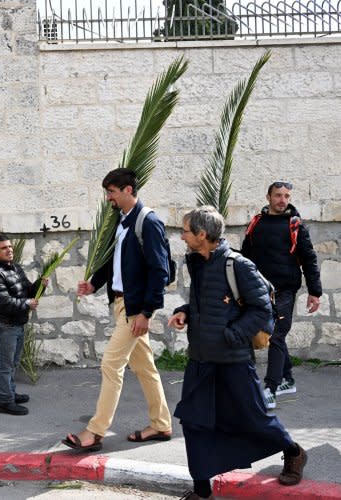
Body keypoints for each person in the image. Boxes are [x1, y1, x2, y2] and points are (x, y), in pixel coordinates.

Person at [168, 206, 307, 500]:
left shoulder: (238, 266)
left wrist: (232, 335)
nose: (181, 236)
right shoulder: (198, 262)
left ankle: (293, 452)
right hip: (201, 360)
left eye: (185, 231)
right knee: (194, 423)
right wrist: (185, 313)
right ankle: (202, 491)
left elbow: (262, 309)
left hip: (233, 361)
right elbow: (204, 304)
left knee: (254, 419)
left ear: (202, 235)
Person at [63, 168, 172, 452]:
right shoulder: (121, 221)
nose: (108, 198)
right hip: (121, 303)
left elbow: (160, 272)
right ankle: (161, 424)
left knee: (111, 364)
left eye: (111, 192)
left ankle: (95, 431)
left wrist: (146, 313)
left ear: (127, 190)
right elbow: (115, 260)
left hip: (136, 308)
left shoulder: (148, 222)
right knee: (144, 367)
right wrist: (94, 284)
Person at [240, 181, 322, 409]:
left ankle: (271, 389)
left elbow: (309, 259)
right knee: (274, 335)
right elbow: (245, 256)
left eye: (286, 196)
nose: (283, 200)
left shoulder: (295, 225)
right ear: (268, 197)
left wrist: (314, 292)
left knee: (276, 335)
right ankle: (288, 380)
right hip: (259, 290)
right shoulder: (256, 223)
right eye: (278, 195)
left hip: (285, 290)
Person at [0, 234, 47, 416]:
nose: (9, 250)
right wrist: (26, 304)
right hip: (3, 326)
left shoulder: (15, 268)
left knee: (12, 363)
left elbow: (26, 290)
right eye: (4, 248)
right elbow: (3, 301)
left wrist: (39, 285)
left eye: (10, 247)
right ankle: (5, 402)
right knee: (5, 365)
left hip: (16, 324)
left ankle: (9, 393)